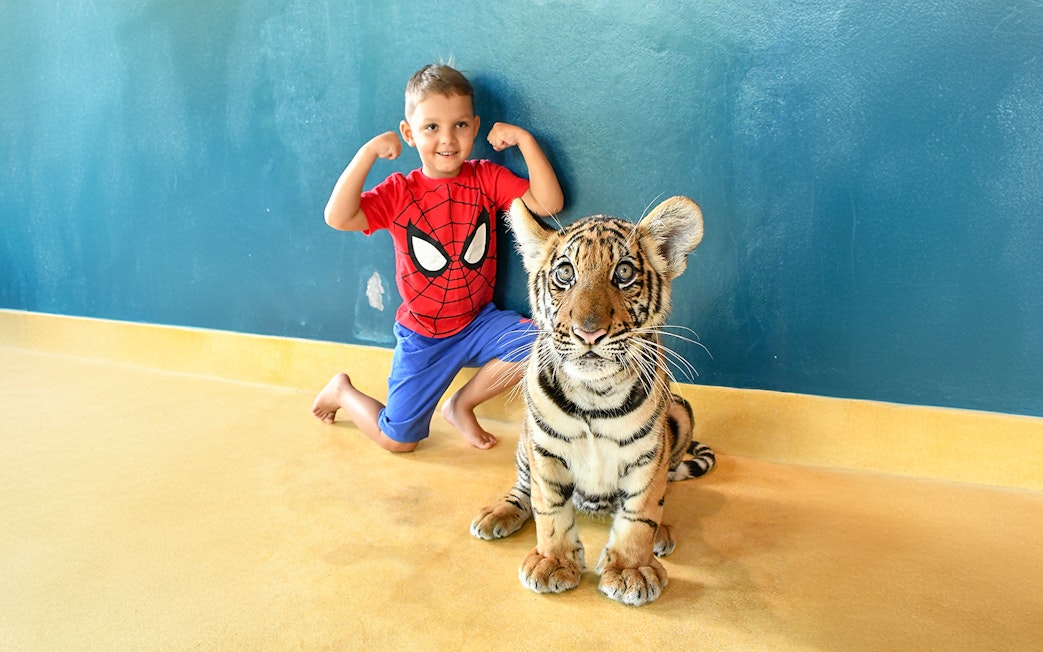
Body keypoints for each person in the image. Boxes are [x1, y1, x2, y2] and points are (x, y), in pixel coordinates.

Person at [311, 63, 564, 453]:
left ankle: (460, 405)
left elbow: (548, 204)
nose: (447, 139)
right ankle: (343, 392)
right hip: (424, 336)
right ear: (409, 134)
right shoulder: (399, 192)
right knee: (398, 441)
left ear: (475, 127)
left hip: (478, 322)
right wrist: (367, 154)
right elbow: (338, 217)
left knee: (543, 342)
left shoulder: (486, 178)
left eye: (460, 125)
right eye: (431, 127)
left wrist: (524, 140)